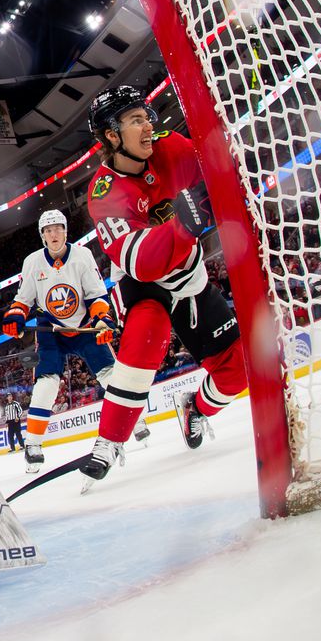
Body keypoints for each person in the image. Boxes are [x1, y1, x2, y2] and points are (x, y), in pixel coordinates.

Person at [78, 86, 247, 487]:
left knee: (237, 372)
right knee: (145, 338)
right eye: (135, 120)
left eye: (147, 116)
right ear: (112, 136)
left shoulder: (172, 147)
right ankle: (109, 440)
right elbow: (140, 261)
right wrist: (183, 224)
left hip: (190, 278)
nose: (148, 126)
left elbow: (217, 169)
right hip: (144, 286)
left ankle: (197, 408)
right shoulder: (104, 192)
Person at [1, 209, 118, 472]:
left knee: (112, 375)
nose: (54, 234)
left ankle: (133, 422)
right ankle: (32, 445)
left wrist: (102, 319)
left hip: (85, 324)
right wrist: (15, 315)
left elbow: (96, 295)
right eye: (48, 230)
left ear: (66, 231)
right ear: (42, 236)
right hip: (51, 329)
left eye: (58, 228)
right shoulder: (32, 262)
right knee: (46, 383)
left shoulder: (82, 255)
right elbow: (24, 299)